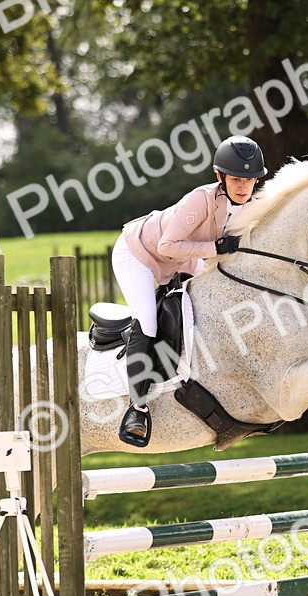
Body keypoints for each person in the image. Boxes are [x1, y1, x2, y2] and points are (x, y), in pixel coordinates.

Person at [111, 135, 267, 447]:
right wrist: (215, 247)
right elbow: (166, 245)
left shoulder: (252, 206)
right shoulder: (201, 199)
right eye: (236, 179)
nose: (243, 187)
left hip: (185, 258)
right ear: (219, 176)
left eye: (250, 180)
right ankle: (137, 408)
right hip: (139, 254)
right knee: (148, 320)